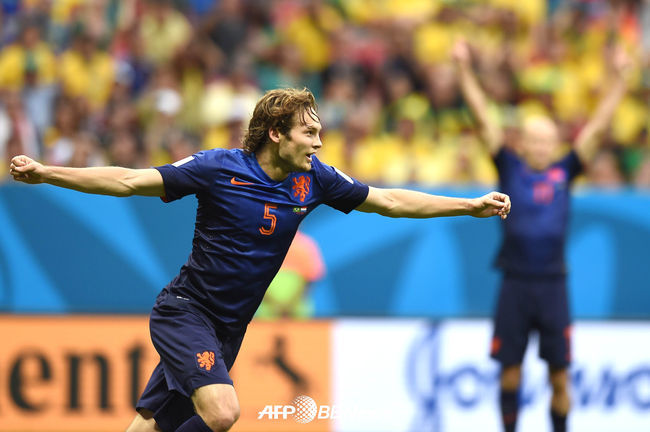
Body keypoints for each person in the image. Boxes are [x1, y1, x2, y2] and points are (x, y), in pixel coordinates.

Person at [10, 87, 510, 432]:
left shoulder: (313, 178)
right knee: (222, 412)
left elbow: (390, 201)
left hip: (229, 330)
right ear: (276, 133)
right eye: (308, 132)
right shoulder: (216, 167)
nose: (319, 142)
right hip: (186, 313)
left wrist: (467, 206)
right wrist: (48, 172)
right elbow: (128, 180)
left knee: (152, 425)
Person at [452, 41, 629, 432]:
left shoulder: (565, 171)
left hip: (553, 285)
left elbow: (598, 129)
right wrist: (463, 69)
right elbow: (483, 119)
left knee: (559, 377)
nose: (541, 146)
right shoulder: (509, 167)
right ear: (523, 142)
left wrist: (620, 79)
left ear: (555, 144)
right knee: (509, 374)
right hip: (514, 283)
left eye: (547, 140)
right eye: (534, 139)